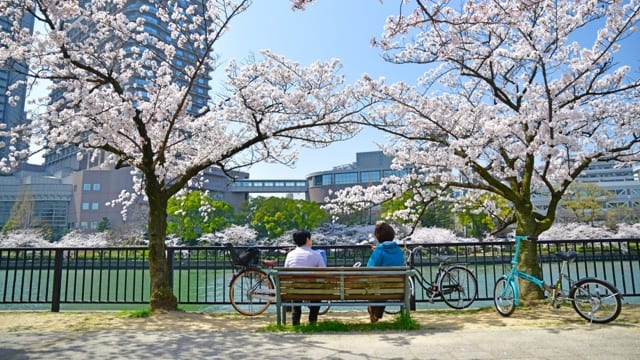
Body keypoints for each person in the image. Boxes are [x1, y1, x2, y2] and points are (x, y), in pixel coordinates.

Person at [284, 229, 326, 326]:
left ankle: (295, 320)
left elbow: (286, 272)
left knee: (296, 289)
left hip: (295, 290)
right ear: (307, 240)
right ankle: (312, 319)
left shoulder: (290, 255)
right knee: (317, 291)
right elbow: (324, 272)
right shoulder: (316, 255)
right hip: (312, 290)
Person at [366, 222, 404, 323]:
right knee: (384, 287)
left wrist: (377, 250)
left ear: (378, 236)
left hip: (380, 286)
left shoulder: (379, 251)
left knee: (374, 286)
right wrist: (378, 249)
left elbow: (369, 269)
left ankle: (373, 312)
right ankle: (376, 314)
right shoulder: (399, 250)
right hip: (397, 287)